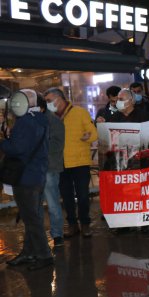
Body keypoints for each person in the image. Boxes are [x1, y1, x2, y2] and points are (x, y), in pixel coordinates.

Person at [3, 89, 52, 270]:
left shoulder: (24, 122)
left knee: (32, 219)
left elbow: (17, 149)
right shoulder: (40, 119)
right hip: (36, 175)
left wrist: (3, 140)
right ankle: (29, 252)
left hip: (26, 178)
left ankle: (44, 255)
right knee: (32, 216)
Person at [45, 87, 97, 238]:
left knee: (82, 195)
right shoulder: (49, 117)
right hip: (60, 163)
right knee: (66, 196)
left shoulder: (79, 112)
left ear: (58, 98)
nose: (47, 103)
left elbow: (93, 132)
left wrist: (89, 136)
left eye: (49, 100)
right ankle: (72, 225)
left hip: (80, 161)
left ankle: (85, 224)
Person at [33, 90, 66, 247]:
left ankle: (57, 234)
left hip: (49, 168)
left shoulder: (53, 121)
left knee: (52, 204)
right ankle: (38, 237)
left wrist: (37, 148)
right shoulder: (33, 120)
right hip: (36, 168)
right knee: (36, 205)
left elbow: (57, 145)